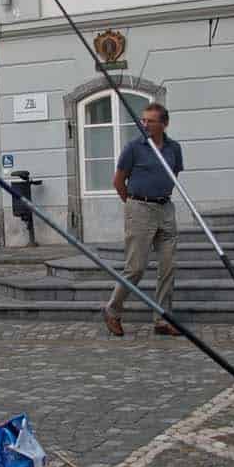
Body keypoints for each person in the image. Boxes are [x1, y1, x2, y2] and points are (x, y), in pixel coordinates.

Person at [101, 103, 181, 337]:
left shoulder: (174, 148)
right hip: (140, 208)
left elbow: (173, 175)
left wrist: (160, 194)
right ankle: (113, 310)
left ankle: (162, 319)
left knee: (168, 266)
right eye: (143, 120)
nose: (144, 124)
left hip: (165, 209)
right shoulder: (134, 147)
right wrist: (133, 205)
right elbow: (118, 181)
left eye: (150, 121)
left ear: (164, 124)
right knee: (135, 267)